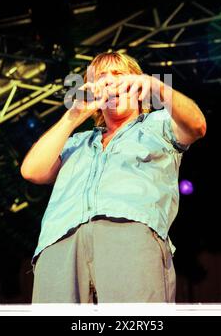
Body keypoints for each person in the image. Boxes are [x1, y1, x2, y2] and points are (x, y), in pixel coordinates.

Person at [21, 51, 206, 303]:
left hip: (129, 234)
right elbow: (32, 170)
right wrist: (73, 116)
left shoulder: (157, 125)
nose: (109, 82)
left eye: (118, 75)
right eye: (101, 78)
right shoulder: (76, 142)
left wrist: (156, 86)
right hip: (60, 243)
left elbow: (197, 125)